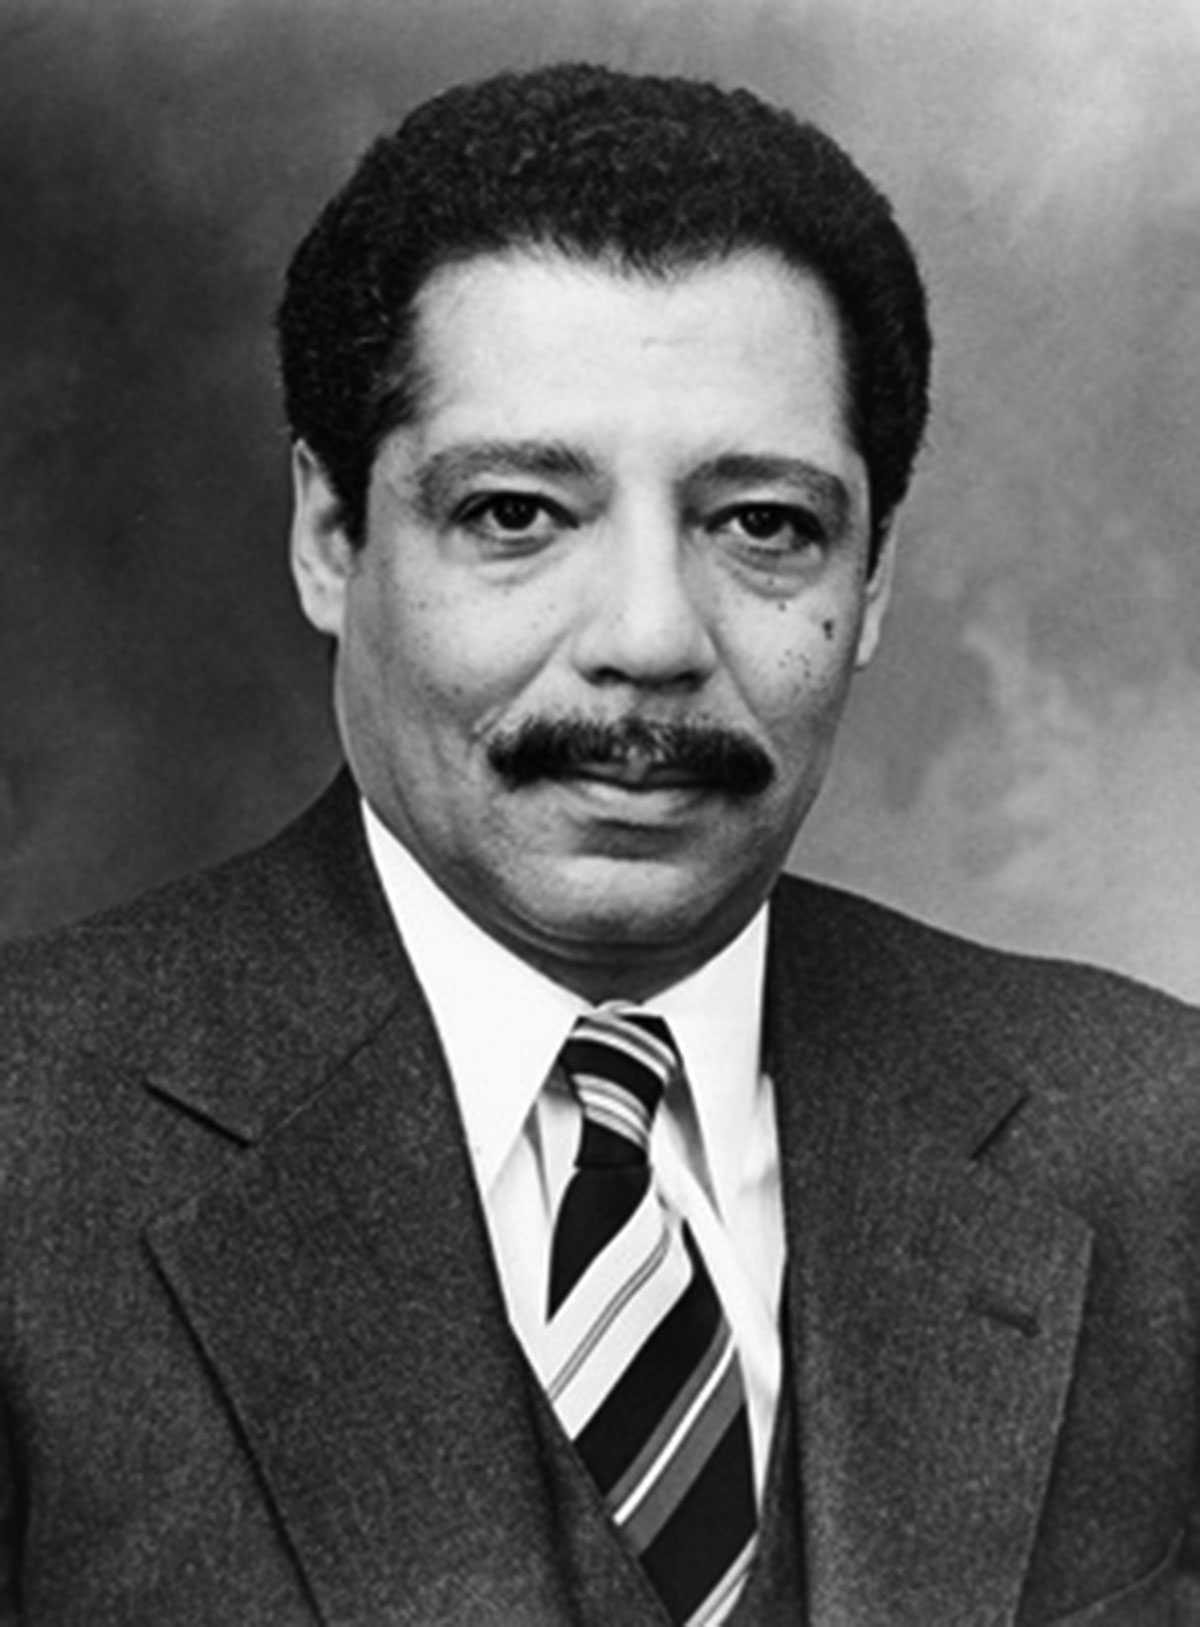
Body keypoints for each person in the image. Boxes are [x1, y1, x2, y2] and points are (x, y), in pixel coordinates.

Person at [1, 61, 1197, 1627]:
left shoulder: (1158, 1144)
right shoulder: (30, 1145)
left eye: (762, 524)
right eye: (515, 514)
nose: (649, 639)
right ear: (328, 536)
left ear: (876, 584)